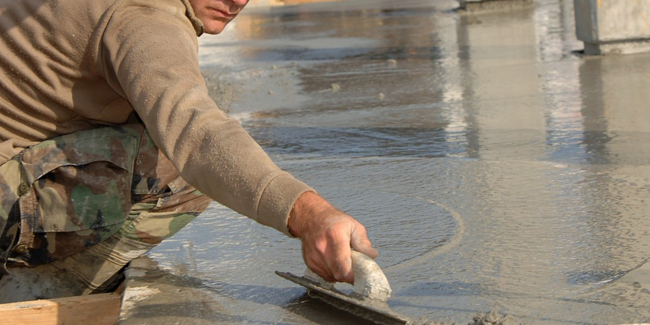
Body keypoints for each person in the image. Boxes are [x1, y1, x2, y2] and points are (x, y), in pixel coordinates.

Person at [0, 0, 377, 300]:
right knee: (184, 166)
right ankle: (43, 286)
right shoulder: (143, 17)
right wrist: (309, 215)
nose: (238, 0)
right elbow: (198, 135)